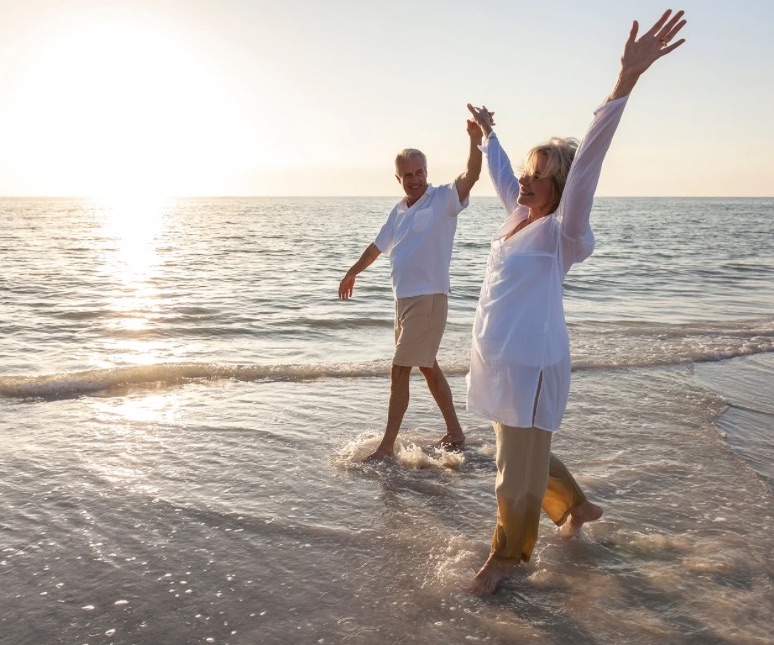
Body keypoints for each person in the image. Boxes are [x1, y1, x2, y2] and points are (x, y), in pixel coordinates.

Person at [464, 9, 687, 595]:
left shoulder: (562, 231)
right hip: (503, 363)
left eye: (539, 175)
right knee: (518, 451)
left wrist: (624, 83)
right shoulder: (517, 219)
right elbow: (500, 175)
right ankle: (577, 507)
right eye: (527, 173)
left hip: (533, 364)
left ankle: (507, 558)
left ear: (560, 183)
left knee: (514, 469)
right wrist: (489, 134)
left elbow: (588, 161)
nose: (525, 181)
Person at [338, 118, 483, 462]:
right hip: (403, 302)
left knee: (399, 367)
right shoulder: (399, 211)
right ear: (398, 179)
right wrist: (352, 272)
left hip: (429, 298)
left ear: (426, 172)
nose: (415, 179)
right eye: (408, 175)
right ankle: (456, 433)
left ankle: (386, 446)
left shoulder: (443, 199)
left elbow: (471, 175)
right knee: (428, 367)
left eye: (420, 172)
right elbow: (376, 248)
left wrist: (475, 140)